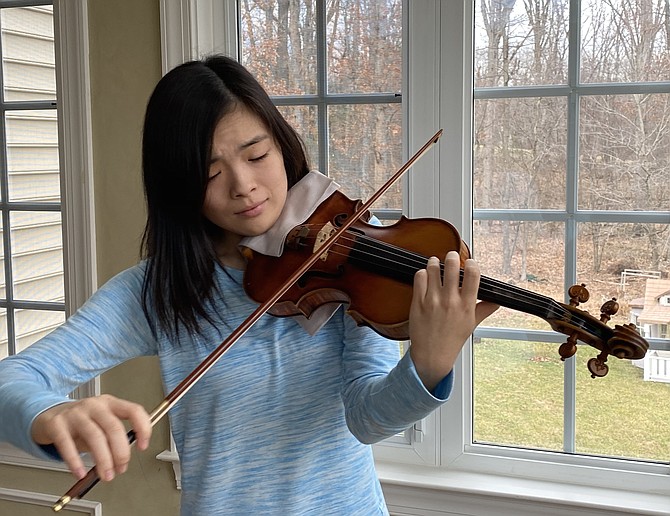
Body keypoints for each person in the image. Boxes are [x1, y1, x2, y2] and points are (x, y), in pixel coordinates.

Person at [0, 55, 497, 515]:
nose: (243, 186)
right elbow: (10, 381)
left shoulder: (347, 263)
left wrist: (430, 363)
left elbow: (368, 418)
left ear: (282, 147)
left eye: (256, 155)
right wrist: (51, 413)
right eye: (211, 174)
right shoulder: (160, 290)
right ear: (180, 189)